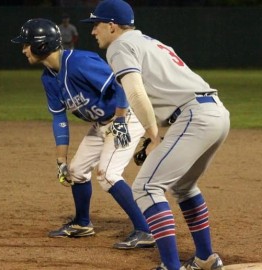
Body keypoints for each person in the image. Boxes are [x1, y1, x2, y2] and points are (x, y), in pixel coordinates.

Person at [81, 0, 230, 269]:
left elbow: (136, 93)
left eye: (96, 24)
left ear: (112, 26)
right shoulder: (149, 42)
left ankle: (171, 267)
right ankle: (206, 258)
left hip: (193, 116)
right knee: (183, 187)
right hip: (216, 113)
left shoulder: (119, 46)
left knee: (146, 187)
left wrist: (154, 136)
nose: (93, 31)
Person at [11, 18, 156, 250]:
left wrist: (119, 119)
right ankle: (82, 223)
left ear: (41, 45)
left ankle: (146, 230)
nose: (23, 49)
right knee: (76, 172)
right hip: (101, 123)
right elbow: (59, 119)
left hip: (126, 116)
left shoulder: (79, 62)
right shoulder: (49, 77)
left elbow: (121, 83)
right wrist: (61, 161)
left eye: (27, 44)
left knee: (108, 174)